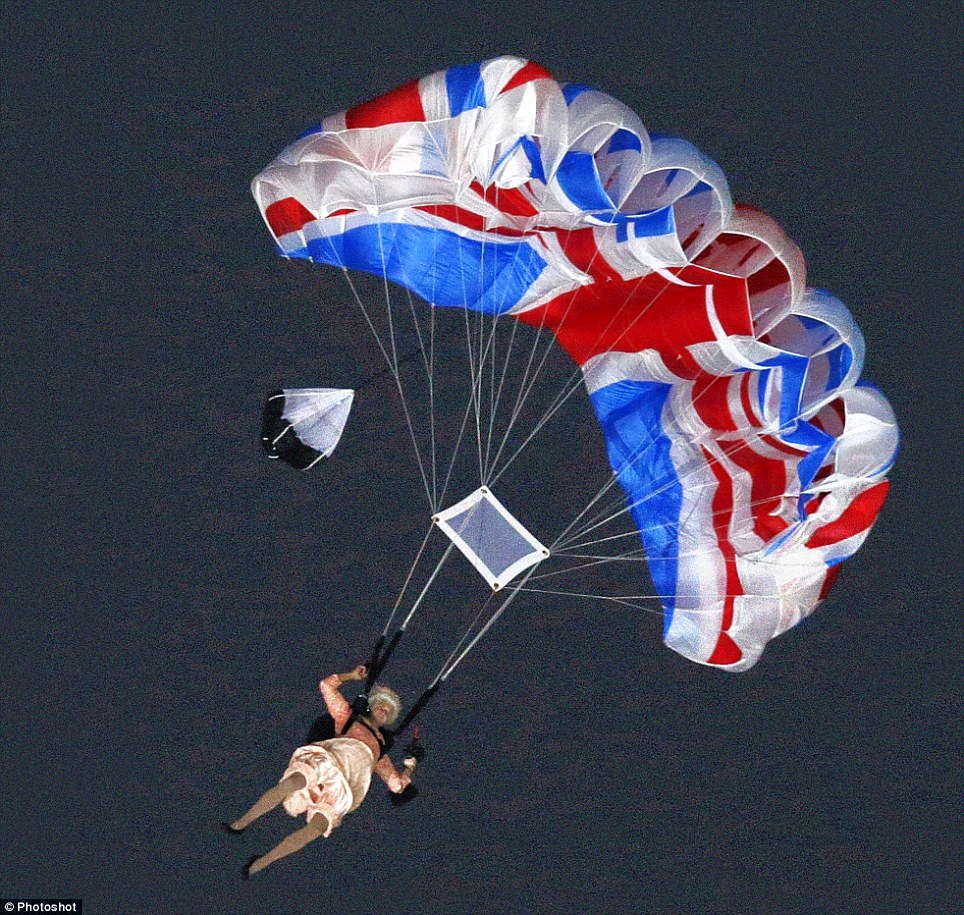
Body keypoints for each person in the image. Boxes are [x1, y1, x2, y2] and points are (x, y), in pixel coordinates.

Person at [225, 664, 416, 877]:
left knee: (316, 829)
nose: (383, 711)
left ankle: (260, 863)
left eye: (388, 712)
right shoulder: (349, 717)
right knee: (290, 784)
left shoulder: (381, 752)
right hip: (327, 762)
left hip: (345, 788)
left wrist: (411, 766)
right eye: (381, 705)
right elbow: (326, 685)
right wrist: (352, 675)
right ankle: (241, 823)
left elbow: (397, 785)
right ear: (372, 706)